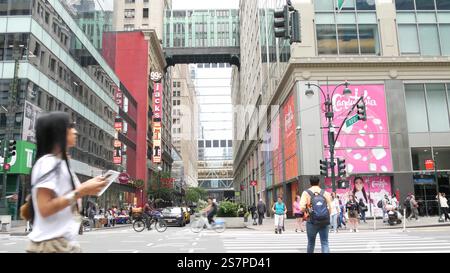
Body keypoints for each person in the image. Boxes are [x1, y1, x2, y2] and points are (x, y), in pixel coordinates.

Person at [26, 112, 107, 253]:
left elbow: (66, 196)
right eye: (70, 127)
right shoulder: (48, 163)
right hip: (50, 246)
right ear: (58, 133)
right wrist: (81, 191)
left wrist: (86, 188)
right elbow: (44, 208)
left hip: (62, 244)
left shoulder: (59, 163)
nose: (75, 131)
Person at [300, 176, 332, 253]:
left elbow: (302, 208)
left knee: (311, 243)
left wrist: (308, 211)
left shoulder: (306, 193)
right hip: (324, 221)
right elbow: (330, 208)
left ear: (310, 183)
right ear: (319, 183)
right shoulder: (325, 193)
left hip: (311, 221)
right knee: (324, 243)